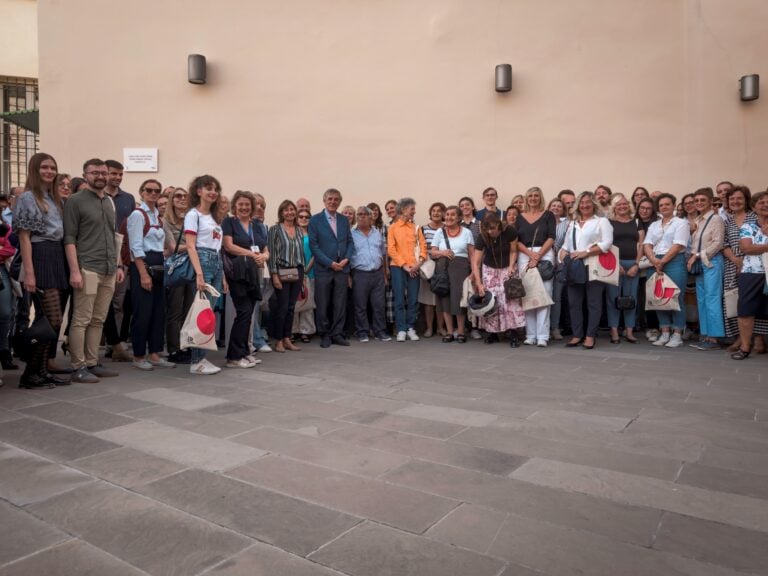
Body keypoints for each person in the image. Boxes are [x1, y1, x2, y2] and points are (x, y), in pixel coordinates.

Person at [63, 158, 123, 383]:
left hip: (108, 268)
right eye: (95, 172)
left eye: (103, 172)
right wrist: (74, 270)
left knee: (98, 319)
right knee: (81, 319)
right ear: (85, 174)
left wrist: (118, 265)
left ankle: (91, 362)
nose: (100, 176)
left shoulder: (109, 202)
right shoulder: (75, 201)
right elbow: (69, 238)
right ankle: (78, 366)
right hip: (87, 268)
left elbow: (114, 237)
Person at [12, 153, 69, 388]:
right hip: (40, 255)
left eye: (53, 167)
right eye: (44, 167)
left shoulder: (54, 197)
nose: (49, 171)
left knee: (51, 320)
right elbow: (24, 238)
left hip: (55, 255)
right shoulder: (27, 198)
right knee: (53, 320)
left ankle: (42, 370)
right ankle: (30, 374)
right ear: (35, 170)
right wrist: (30, 273)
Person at [127, 179, 175, 370]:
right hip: (143, 265)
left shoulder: (157, 215)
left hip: (158, 264)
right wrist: (143, 274)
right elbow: (135, 246)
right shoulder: (138, 215)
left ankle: (154, 353)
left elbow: (162, 244)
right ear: (142, 192)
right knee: (143, 312)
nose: (153, 193)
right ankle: (138, 356)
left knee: (158, 312)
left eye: (157, 190)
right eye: (149, 190)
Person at [184, 174, 227, 374]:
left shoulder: (214, 217)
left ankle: (201, 358)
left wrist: (223, 275)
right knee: (202, 313)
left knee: (208, 313)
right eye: (207, 188)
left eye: (215, 188)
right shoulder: (194, 215)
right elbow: (191, 246)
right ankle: (196, 361)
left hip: (216, 262)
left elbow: (217, 247)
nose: (212, 192)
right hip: (203, 262)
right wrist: (199, 274)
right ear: (198, 191)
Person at [560, 192, 613, 349]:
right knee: (574, 303)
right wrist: (562, 254)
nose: (584, 205)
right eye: (581, 203)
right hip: (575, 267)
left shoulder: (602, 221)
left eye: (588, 202)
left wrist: (586, 252)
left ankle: (590, 336)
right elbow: (566, 245)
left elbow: (607, 243)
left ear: (594, 204)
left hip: (594, 265)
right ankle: (577, 335)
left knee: (593, 303)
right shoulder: (573, 224)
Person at [222, 190, 268, 366]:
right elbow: (229, 246)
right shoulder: (229, 222)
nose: (244, 207)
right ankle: (233, 356)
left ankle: (244, 351)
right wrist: (251, 254)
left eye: (247, 204)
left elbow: (265, 248)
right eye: (241, 204)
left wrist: (264, 256)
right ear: (235, 206)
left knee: (249, 314)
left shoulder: (256, 224)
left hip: (252, 273)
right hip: (237, 272)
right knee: (242, 312)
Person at [722, 186, 767, 352]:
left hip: (757, 265)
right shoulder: (727, 221)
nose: (735, 201)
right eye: (732, 199)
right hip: (732, 264)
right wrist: (736, 260)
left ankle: (759, 338)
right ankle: (740, 338)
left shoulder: (755, 217)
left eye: (739, 198)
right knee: (737, 302)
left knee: (758, 302)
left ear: (746, 200)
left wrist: (745, 259)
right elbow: (724, 244)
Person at [643, 193, 690, 348]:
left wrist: (662, 261)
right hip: (655, 261)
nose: (664, 207)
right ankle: (664, 332)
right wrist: (654, 260)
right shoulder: (654, 225)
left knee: (675, 297)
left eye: (667, 204)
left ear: (674, 205)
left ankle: (677, 334)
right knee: (658, 298)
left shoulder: (681, 223)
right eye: (661, 205)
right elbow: (647, 244)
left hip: (674, 261)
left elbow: (678, 245)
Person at [472, 212, 524, 346]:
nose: (490, 231)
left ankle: (513, 333)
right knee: (491, 300)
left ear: (499, 225)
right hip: (489, 269)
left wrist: (512, 266)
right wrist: (479, 283)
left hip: (508, 266)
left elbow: (513, 250)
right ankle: (492, 333)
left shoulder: (509, 231)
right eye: (487, 229)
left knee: (510, 299)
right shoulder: (482, 236)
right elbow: (476, 262)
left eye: (493, 228)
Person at [309, 188, 353, 348]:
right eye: (330, 199)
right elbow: (314, 246)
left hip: (342, 268)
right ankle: (325, 334)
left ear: (339, 202)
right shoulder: (315, 220)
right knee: (323, 303)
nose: (333, 202)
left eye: (336, 199)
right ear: (324, 201)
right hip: (324, 269)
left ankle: (337, 333)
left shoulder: (343, 220)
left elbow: (349, 242)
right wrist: (330, 263)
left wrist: (346, 259)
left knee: (340, 303)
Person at [103, 159, 135, 363]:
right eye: (113, 173)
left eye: (120, 174)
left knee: (118, 303)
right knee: (100, 304)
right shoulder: (98, 196)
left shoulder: (128, 198)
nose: (117, 177)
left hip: (122, 257)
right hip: (100, 254)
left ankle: (113, 345)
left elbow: (131, 229)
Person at [686, 188, 726, 350]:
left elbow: (718, 243)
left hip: (711, 262)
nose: (699, 203)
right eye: (697, 201)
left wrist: (696, 256)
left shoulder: (715, 219)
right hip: (700, 263)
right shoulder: (699, 221)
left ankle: (714, 338)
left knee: (712, 298)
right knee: (702, 299)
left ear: (710, 201)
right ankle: (706, 335)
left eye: (703, 200)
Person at [516, 187, 556, 347]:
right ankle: (530, 335)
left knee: (544, 295)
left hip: (544, 254)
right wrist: (530, 254)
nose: (533, 198)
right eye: (530, 196)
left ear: (541, 198)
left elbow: (552, 237)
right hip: (524, 255)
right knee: (528, 295)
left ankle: (543, 336)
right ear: (527, 198)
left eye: (536, 196)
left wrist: (538, 256)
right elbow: (516, 240)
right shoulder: (519, 217)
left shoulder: (548, 215)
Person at [431, 205, 474, 342]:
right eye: (447, 214)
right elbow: (432, 251)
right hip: (443, 267)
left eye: (452, 215)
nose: (449, 217)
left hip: (461, 268)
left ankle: (461, 332)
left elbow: (472, 255)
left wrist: (473, 272)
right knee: (445, 299)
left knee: (459, 298)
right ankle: (449, 332)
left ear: (459, 217)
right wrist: (442, 252)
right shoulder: (439, 232)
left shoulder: (467, 232)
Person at [387, 197, 427, 342]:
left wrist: (419, 263)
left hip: (414, 268)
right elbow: (391, 249)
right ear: (403, 209)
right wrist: (404, 265)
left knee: (413, 299)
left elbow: (423, 247)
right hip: (398, 267)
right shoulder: (393, 228)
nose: (414, 212)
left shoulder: (416, 228)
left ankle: (411, 328)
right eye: (412, 209)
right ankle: (401, 329)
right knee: (399, 299)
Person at [269, 200, 305, 353]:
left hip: (297, 271)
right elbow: (272, 253)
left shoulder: (298, 230)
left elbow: (300, 252)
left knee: (291, 307)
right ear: (281, 213)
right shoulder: (275, 229)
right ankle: (277, 340)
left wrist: (302, 273)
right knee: (282, 307)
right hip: (281, 271)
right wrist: (274, 275)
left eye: (292, 209)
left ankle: (287, 338)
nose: (290, 212)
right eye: (286, 210)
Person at [163, 187, 195, 364]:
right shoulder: (166, 221)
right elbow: (171, 247)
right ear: (171, 200)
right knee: (174, 310)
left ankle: (186, 346)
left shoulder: (192, 220)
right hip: (176, 268)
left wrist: (190, 246)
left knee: (189, 310)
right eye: (178, 196)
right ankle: (174, 349)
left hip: (192, 267)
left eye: (185, 196)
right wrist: (191, 246)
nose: (182, 199)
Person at [606, 193, 643, 343]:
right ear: (614, 207)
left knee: (631, 298)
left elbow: (641, 244)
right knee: (612, 298)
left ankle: (629, 330)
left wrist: (636, 264)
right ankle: (614, 330)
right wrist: (615, 264)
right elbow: (607, 245)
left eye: (624, 204)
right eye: (618, 204)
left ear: (629, 205)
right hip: (614, 264)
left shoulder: (636, 222)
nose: (622, 206)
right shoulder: (608, 222)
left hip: (632, 264)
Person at [351, 205, 389, 342]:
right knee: (360, 305)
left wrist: (384, 274)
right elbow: (347, 255)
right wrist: (349, 276)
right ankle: (362, 332)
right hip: (360, 274)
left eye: (364, 214)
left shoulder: (377, 233)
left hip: (377, 273)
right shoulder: (351, 234)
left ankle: (380, 332)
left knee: (379, 304)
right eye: (359, 214)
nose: (361, 217)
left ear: (370, 217)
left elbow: (383, 254)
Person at [418, 202, 446, 338]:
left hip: (442, 266)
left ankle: (441, 328)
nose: (436, 213)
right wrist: (437, 252)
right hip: (427, 266)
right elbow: (421, 248)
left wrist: (439, 254)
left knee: (440, 298)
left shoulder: (447, 228)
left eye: (439, 211)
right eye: (433, 210)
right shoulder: (423, 229)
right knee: (428, 300)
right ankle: (429, 328)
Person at [251, 193, 273, 354]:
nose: (260, 208)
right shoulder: (245, 225)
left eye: (263, 206)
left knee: (258, 306)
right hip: (248, 271)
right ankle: (255, 339)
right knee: (252, 307)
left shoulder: (263, 227)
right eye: (257, 204)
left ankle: (255, 337)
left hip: (262, 271)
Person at [292, 208, 316, 342]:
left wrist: (306, 269)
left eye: (307, 217)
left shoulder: (313, 235)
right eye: (300, 216)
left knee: (308, 303)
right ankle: (293, 330)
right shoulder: (292, 233)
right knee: (295, 303)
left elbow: (315, 254)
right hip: (294, 273)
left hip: (309, 273)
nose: (303, 219)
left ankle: (306, 331)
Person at [548, 197, 569, 341]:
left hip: (560, 264)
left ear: (563, 210)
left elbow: (568, 243)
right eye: (553, 205)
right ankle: (543, 327)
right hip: (544, 263)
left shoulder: (567, 224)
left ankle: (554, 328)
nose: (556, 208)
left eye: (559, 206)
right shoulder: (542, 223)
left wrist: (559, 257)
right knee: (543, 295)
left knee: (557, 297)